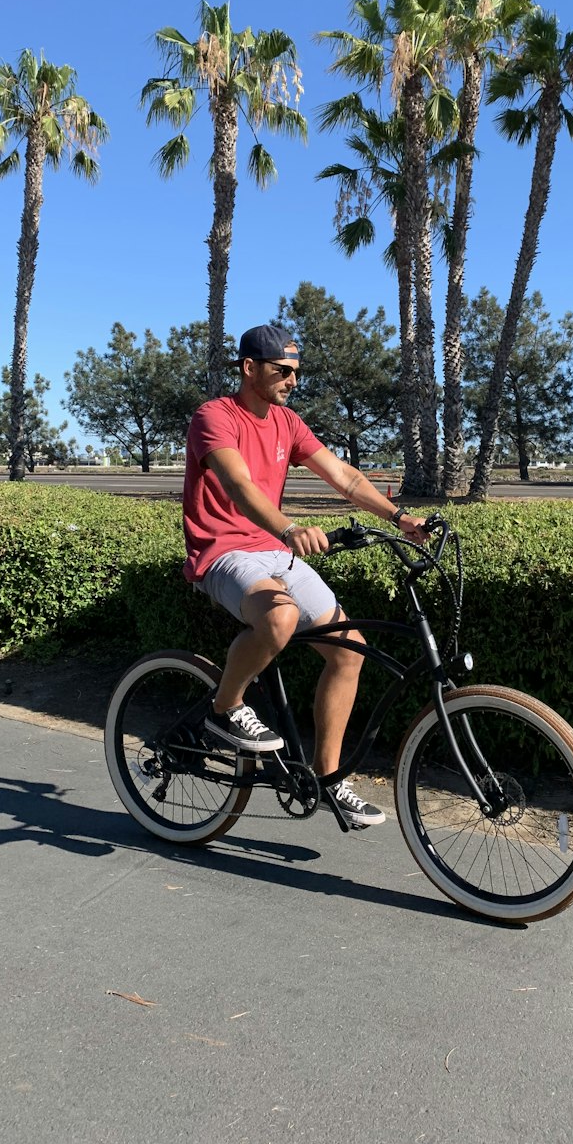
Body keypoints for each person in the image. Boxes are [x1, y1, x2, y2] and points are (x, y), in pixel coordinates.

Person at [182, 323, 427, 827]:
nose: (293, 380)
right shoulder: (214, 417)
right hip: (223, 550)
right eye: (283, 370)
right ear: (250, 368)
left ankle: (329, 779)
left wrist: (401, 520)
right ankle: (223, 709)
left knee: (349, 650)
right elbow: (239, 487)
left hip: (272, 552)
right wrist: (289, 527)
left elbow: (345, 477)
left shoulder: (287, 423)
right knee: (279, 618)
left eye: (296, 371)